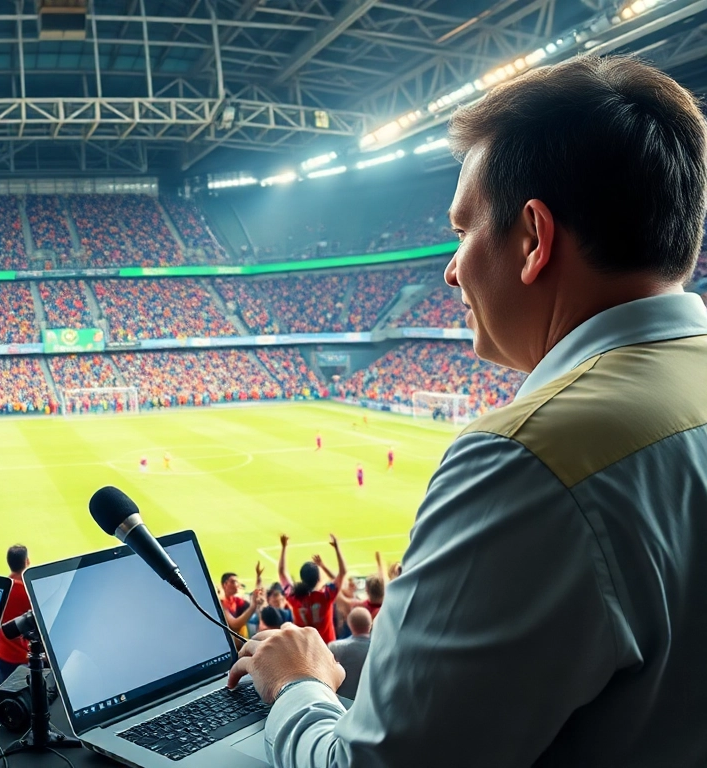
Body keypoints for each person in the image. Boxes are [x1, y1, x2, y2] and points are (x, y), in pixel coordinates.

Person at [228, 56, 707, 767]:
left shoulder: (530, 456)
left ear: (534, 239)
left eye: (461, 231)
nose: (451, 269)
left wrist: (298, 685)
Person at [277, 534, 346, 644]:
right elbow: (342, 573)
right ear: (319, 578)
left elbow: (281, 572)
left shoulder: (294, 597)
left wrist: (284, 547)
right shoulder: (326, 596)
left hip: (304, 647)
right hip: (326, 646)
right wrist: (337, 548)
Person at [0, 544, 33, 685]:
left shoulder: (1, 589)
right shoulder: (28, 593)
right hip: (23, 657)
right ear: (27, 562)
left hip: (3, 654)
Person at [327, 607, 372, 700]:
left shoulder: (335, 648)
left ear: (349, 624)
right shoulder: (381, 647)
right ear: (370, 624)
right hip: (371, 702)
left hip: (344, 703)